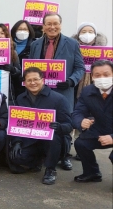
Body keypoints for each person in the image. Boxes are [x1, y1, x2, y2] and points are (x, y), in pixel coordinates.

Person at [28, 12, 85, 169]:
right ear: (43, 26)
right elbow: (30, 67)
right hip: (40, 92)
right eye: (49, 24)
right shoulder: (35, 44)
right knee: (42, 123)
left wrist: (71, 81)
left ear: (60, 24)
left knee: (64, 125)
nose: (52, 27)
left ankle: (64, 155)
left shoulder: (72, 44)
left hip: (63, 92)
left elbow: (80, 68)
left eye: (55, 23)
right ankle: (43, 153)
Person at [9, 67, 72, 185]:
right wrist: (17, 141)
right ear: (24, 82)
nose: (33, 83)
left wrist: (59, 127)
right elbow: (16, 123)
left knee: (54, 137)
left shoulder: (59, 99)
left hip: (53, 140)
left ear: (43, 80)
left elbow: (69, 125)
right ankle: (37, 161)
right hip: (30, 139)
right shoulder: (20, 98)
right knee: (17, 158)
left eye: (36, 79)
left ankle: (50, 169)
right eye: (29, 80)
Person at [72, 60, 113, 183]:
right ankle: (92, 173)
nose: (102, 78)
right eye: (97, 75)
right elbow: (78, 112)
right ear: (92, 76)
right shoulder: (87, 91)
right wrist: (80, 121)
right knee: (81, 143)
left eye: (106, 74)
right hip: (99, 130)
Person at [71, 22, 108, 99]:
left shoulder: (103, 51)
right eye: (83, 32)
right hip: (76, 82)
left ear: (95, 34)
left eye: (90, 32)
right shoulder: (72, 49)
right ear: (78, 35)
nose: (87, 34)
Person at [10, 20, 36, 98]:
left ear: (29, 31)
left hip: (27, 84)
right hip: (10, 83)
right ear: (14, 31)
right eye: (19, 29)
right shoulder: (7, 45)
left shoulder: (34, 46)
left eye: (25, 29)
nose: (22, 31)